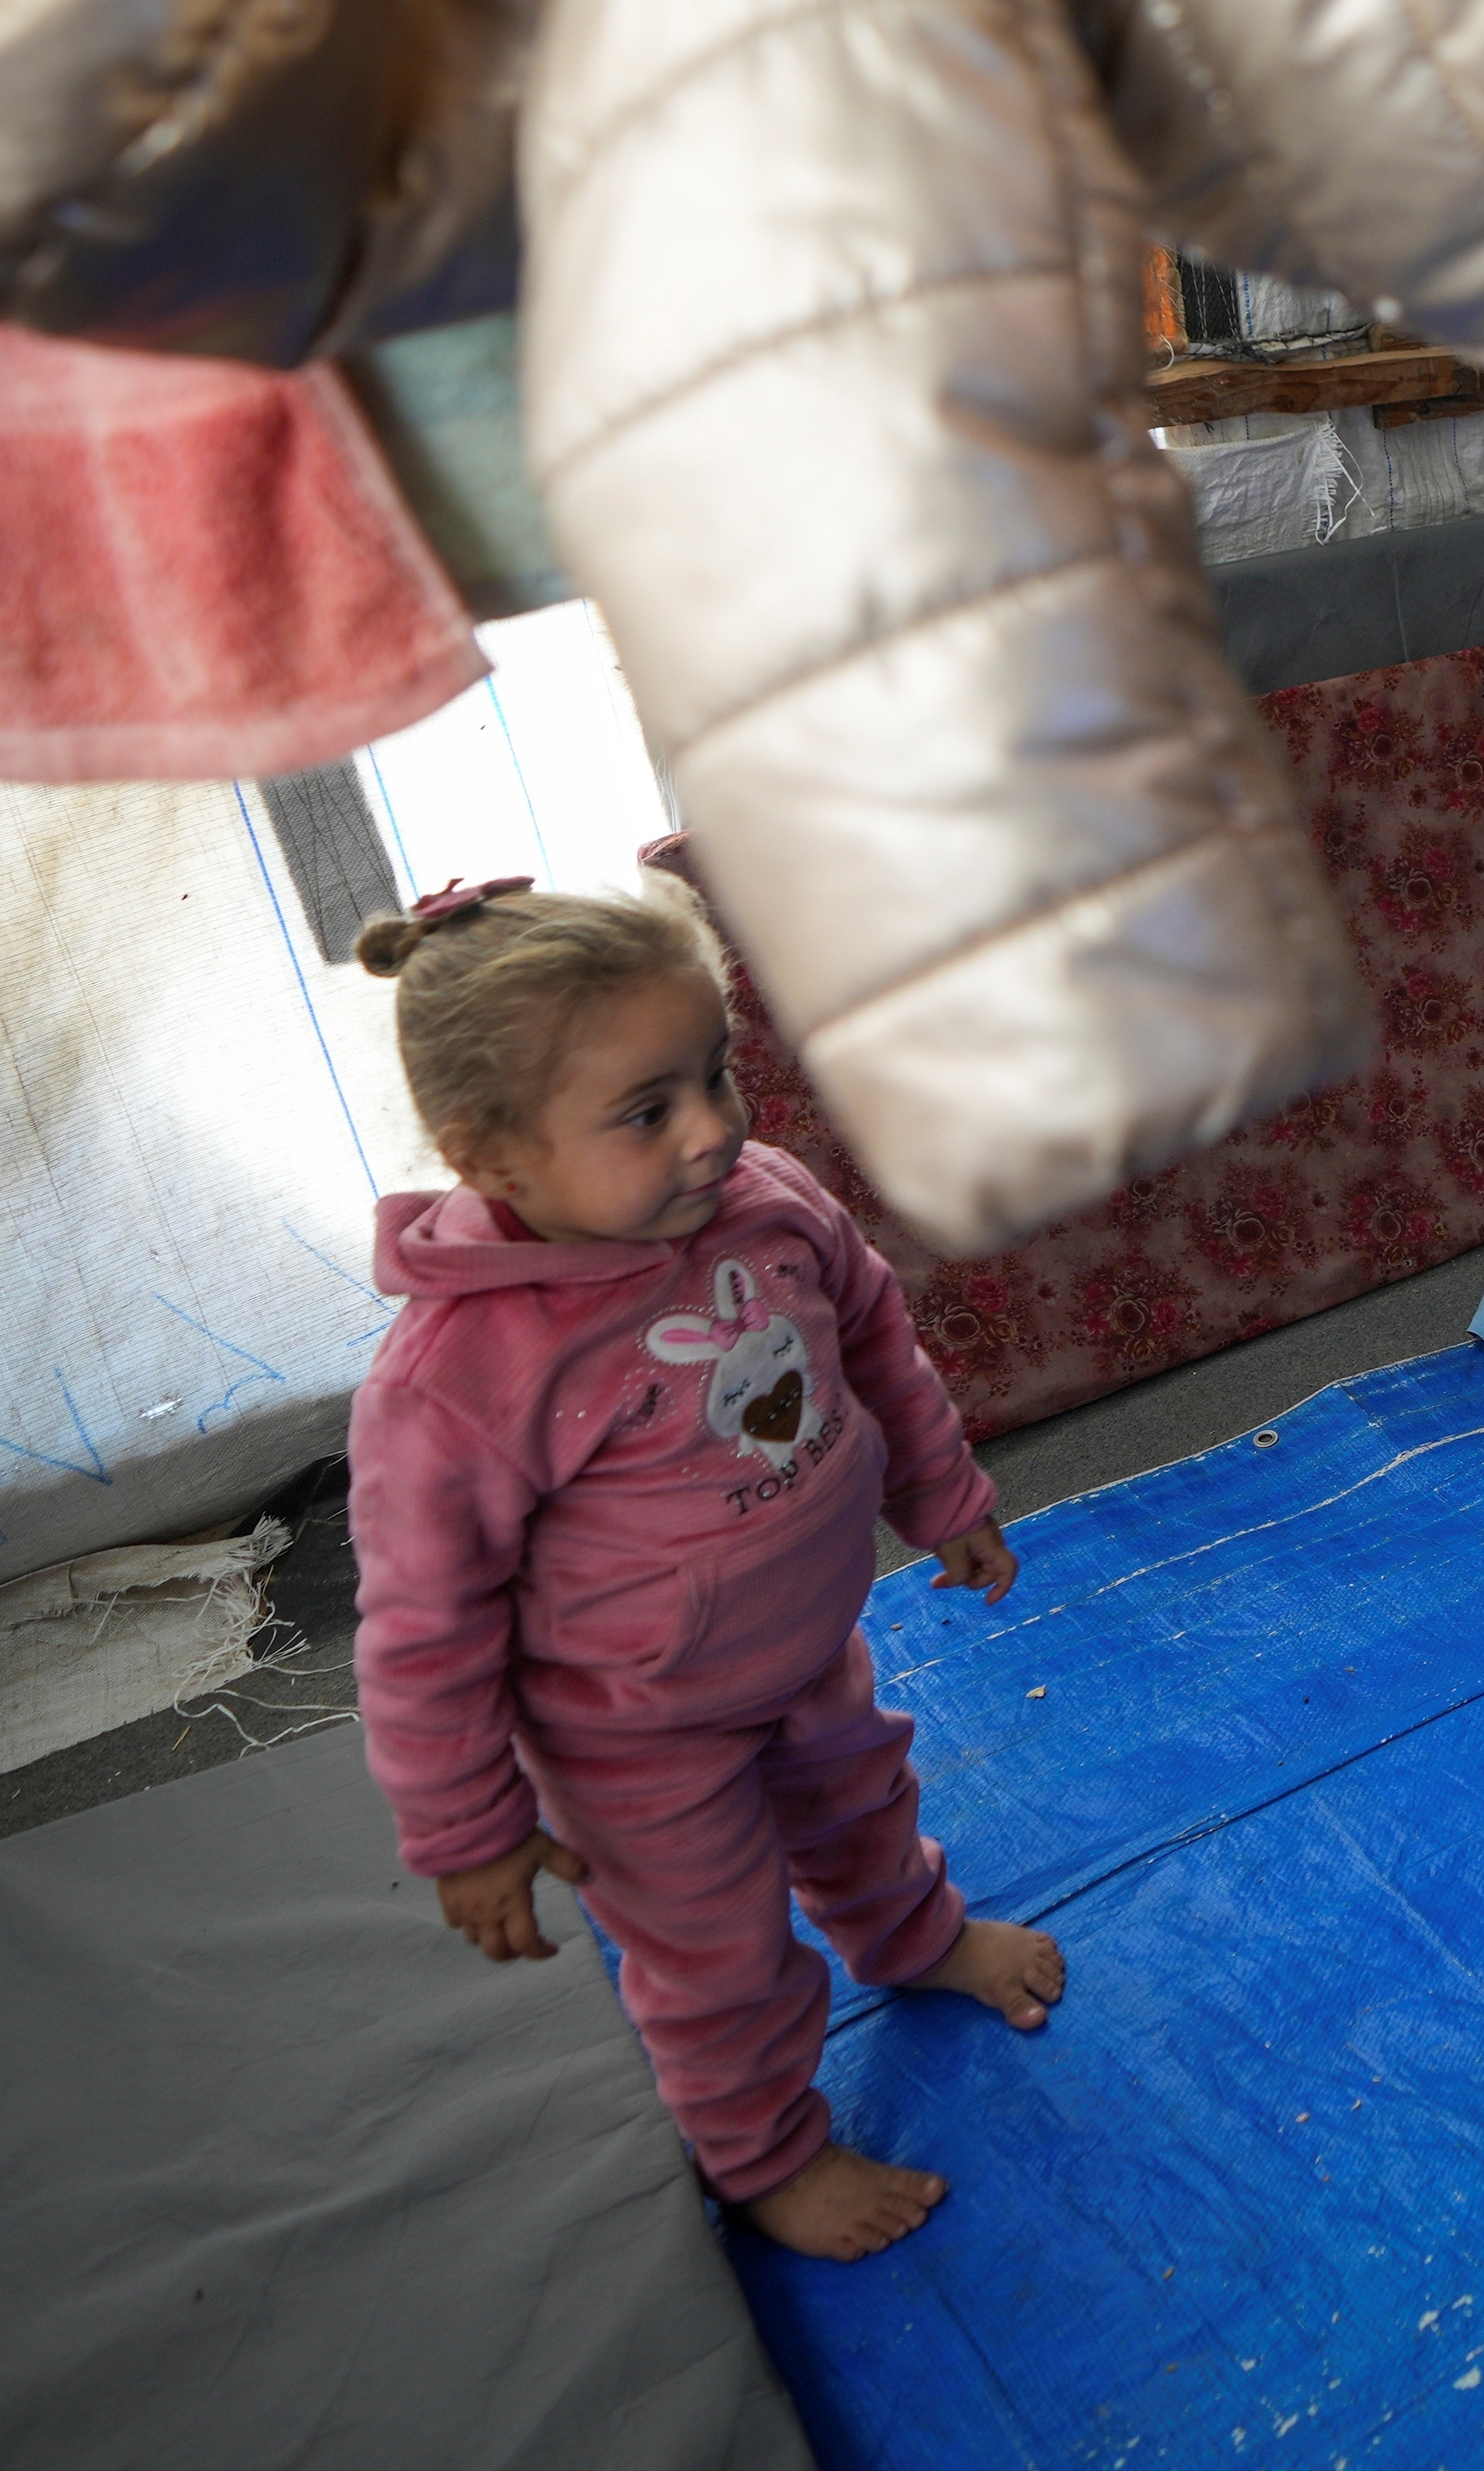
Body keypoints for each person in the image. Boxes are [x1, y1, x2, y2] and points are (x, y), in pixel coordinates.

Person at [344, 874, 1063, 2261]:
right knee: (719, 1957)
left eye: (715, 1071)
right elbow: (422, 1632)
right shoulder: (455, 1386)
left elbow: (875, 1342)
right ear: (489, 1157)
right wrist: (471, 1833)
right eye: (647, 1109)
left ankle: (912, 1936)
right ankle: (768, 2155)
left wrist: (941, 1493)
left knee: (865, 1797)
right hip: (632, 1739)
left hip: (805, 1648)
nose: (715, 1127)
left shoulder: (766, 1201)